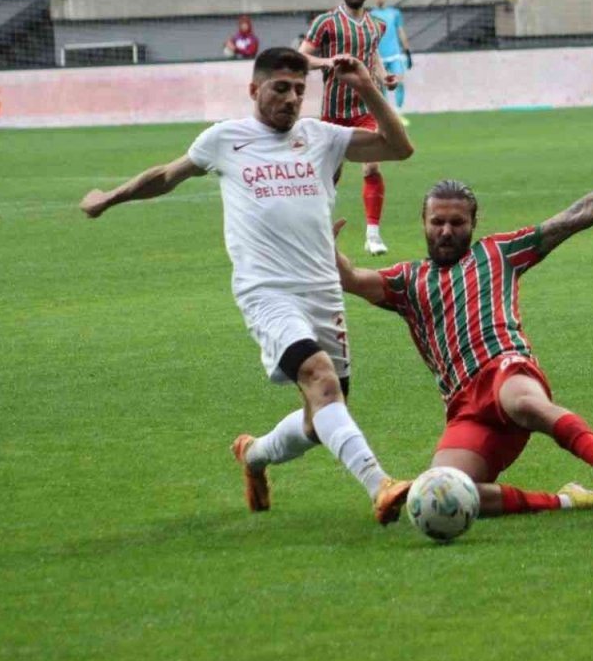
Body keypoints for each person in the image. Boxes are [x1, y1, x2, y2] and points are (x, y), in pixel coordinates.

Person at [78, 47, 416, 526]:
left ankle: (255, 455)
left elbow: (398, 147)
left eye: (299, 90)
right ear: (254, 89)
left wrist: (366, 87)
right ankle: (380, 485)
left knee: (320, 417)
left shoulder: (321, 137)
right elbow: (166, 176)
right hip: (267, 292)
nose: (291, 98)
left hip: (322, 289)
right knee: (320, 378)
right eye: (280, 88)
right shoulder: (225, 139)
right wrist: (108, 198)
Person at [335, 132, 593, 518]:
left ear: (473, 223)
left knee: (523, 402)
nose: (446, 231)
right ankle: (572, 500)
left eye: (457, 222)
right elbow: (350, 278)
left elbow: (579, 215)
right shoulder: (407, 281)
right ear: (423, 222)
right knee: (441, 491)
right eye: (437, 222)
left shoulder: (499, 252)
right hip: (464, 405)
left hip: (505, 367)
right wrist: (322, 242)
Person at [299, 0, 397, 257]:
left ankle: (373, 235)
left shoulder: (377, 25)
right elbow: (301, 57)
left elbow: (372, 53)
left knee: (372, 166)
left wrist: (384, 76)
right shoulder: (325, 22)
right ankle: (318, 233)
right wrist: (328, 62)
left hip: (366, 109)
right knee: (330, 176)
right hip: (334, 113)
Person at [368, 0, 411, 117]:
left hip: (395, 55)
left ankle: (399, 113)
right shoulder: (370, 15)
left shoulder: (394, 13)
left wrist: (407, 52)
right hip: (379, 57)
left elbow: (401, 31)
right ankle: (386, 115)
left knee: (400, 82)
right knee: (381, 86)